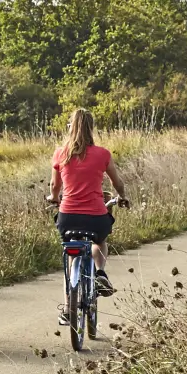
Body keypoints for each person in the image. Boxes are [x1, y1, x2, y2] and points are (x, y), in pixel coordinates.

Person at [46, 109, 130, 326]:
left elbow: (55, 186)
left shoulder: (60, 153)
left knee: (71, 254)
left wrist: (54, 198)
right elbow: (117, 183)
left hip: (68, 217)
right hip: (95, 216)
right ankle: (100, 272)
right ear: (91, 128)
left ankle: (67, 307)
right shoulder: (103, 154)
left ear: (70, 127)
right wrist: (122, 196)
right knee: (99, 241)